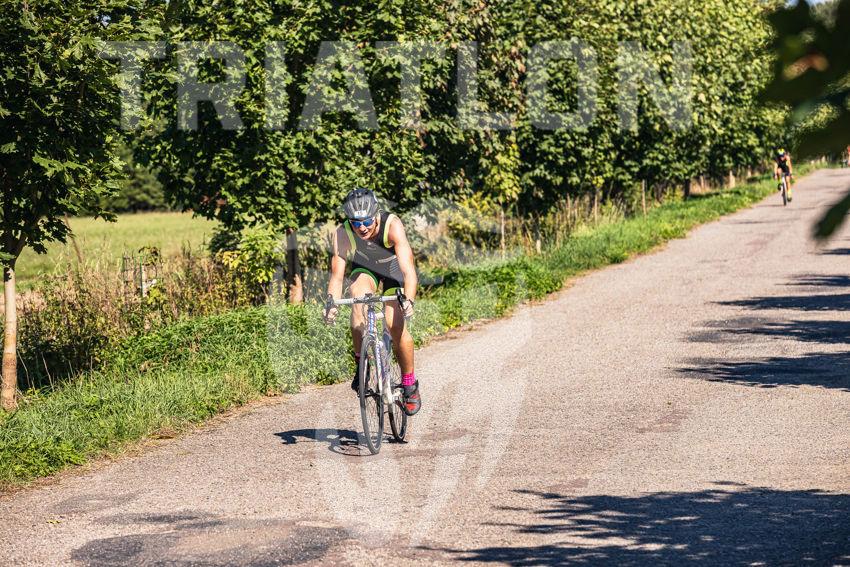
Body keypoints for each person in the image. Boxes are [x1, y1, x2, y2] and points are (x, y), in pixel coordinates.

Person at [323, 188, 421, 416]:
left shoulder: (392, 225)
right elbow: (337, 276)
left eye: (367, 221)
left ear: (376, 214)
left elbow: (409, 271)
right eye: (356, 223)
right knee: (357, 298)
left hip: (393, 269)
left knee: (394, 324)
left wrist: (409, 300)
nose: (362, 228)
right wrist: (331, 303)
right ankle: (361, 366)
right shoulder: (343, 232)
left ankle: (409, 384)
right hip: (365, 267)